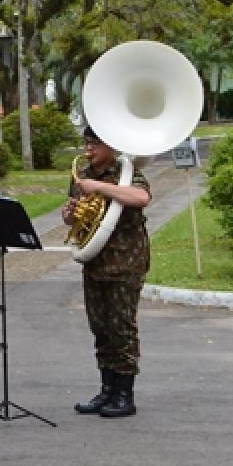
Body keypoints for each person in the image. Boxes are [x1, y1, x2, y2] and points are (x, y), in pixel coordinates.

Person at [63, 122, 152, 418]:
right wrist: (70, 214)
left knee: (121, 328)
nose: (89, 150)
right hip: (95, 261)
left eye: (95, 145)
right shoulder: (82, 175)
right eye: (86, 144)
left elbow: (141, 198)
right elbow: (72, 215)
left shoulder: (126, 171)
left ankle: (125, 394)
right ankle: (107, 389)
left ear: (110, 146)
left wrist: (100, 188)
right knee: (100, 327)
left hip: (125, 262)